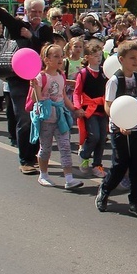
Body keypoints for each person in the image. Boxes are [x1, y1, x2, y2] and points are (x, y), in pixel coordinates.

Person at [0, 0, 54, 175]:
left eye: (39, 11)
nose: (36, 15)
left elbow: (47, 50)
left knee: (39, 117)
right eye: (32, 11)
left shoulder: (46, 29)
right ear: (26, 11)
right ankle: (25, 159)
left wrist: (31, 38)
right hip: (19, 79)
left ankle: (35, 155)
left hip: (39, 78)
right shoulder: (16, 24)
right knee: (24, 118)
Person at [95, 40, 137, 217]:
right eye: (132, 58)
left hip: (135, 128)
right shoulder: (115, 80)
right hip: (119, 129)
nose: (136, 61)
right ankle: (105, 190)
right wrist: (119, 123)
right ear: (121, 59)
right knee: (120, 164)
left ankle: (135, 200)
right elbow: (108, 105)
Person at [29, 43, 85, 189]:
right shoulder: (40, 77)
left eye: (61, 56)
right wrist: (35, 87)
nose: (60, 59)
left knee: (65, 146)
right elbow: (37, 99)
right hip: (46, 118)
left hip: (60, 117)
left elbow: (63, 96)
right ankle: (43, 174)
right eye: (56, 56)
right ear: (46, 60)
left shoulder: (61, 75)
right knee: (46, 147)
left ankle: (69, 178)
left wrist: (74, 109)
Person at [73, 40, 108, 179]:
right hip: (89, 110)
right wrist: (78, 107)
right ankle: (84, 154)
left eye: (100, 55)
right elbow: (76, 92)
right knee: (94, 136)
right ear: (87, 57)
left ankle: (97, 165)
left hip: (102, 108)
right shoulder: (83, 73)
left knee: (102, 138)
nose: (99, 57)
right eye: (95, 55)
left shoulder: (104, 73)